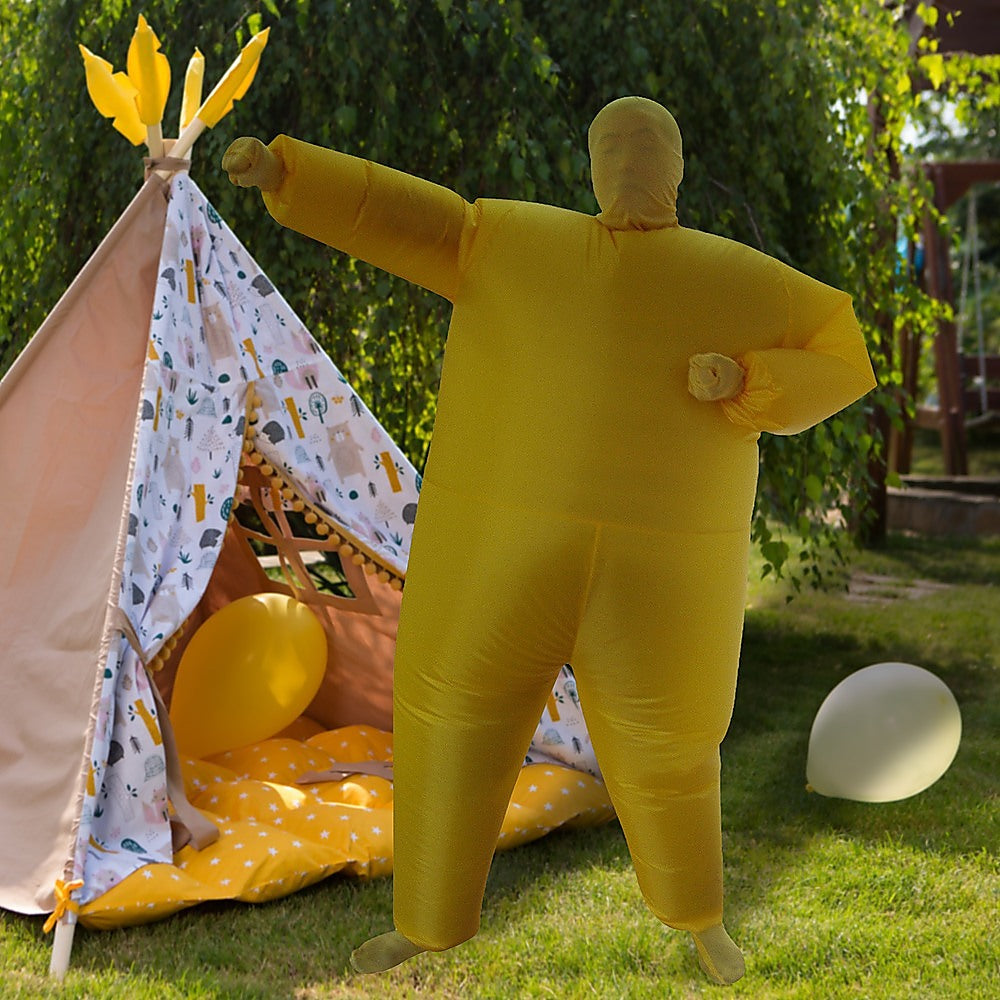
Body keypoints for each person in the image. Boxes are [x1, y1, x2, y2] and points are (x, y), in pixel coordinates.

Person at [223, 96, 875, 985]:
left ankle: (701, 919)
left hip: (657, 571)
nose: (631, 165)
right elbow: (407, 216)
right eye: (616, 145)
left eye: (644, 149)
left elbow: (843, 354)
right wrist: (286, 174)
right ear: (595, 163)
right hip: (503, 553)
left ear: (673, 168)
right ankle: (425, 921)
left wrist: (754, 381)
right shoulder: (517, 243)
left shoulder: (738, 282)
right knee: (452, 722)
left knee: (673, 753)